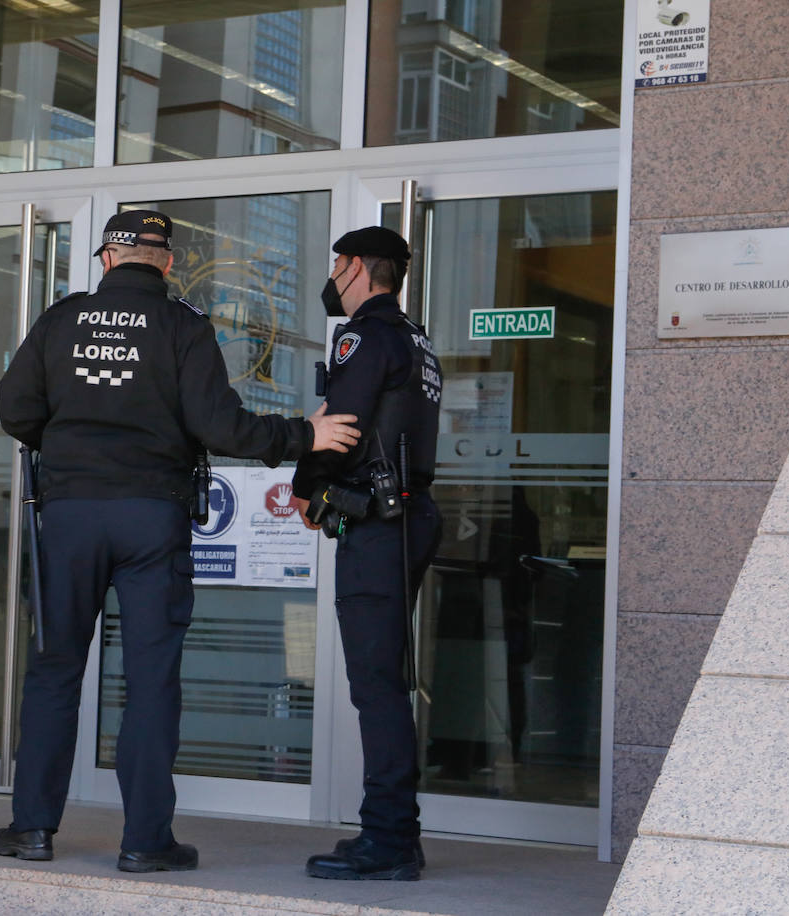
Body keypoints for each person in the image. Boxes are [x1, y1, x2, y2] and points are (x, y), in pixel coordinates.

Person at [0, 209, 362, 873]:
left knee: (54, 671)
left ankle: (32, 830)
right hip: (150, 518)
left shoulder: (61, 319)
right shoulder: (183, 326)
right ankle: (144, 840)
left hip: (72, 516)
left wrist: (75, 439)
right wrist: (305, 436)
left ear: (107, 257)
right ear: (165, 262)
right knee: (151, 678)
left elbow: (16, 409)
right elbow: (223, 427)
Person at [291, 226, 443, 881]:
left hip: (378, 524)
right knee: (386, 680)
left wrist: (305, 487)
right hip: (407, 515)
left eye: (336, 264)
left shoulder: (365, 335)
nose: (333, 275)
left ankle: (390, 839)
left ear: (355, 266)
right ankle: (390, 831)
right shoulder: (417, 338)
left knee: (376, 686)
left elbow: (343, 425)